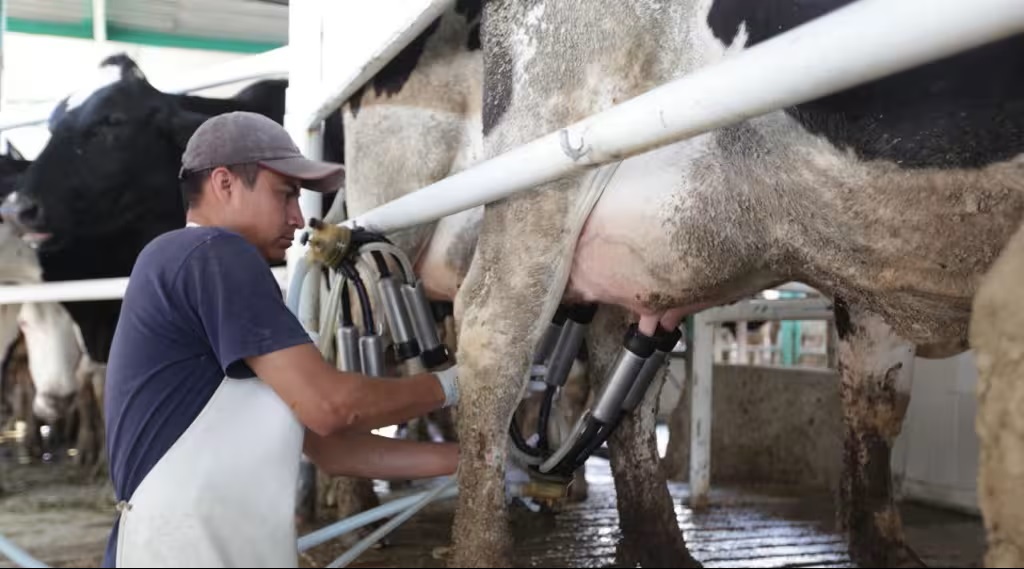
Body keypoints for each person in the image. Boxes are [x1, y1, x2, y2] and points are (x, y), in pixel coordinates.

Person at [101, 111, 460, 568]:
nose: (297, 218)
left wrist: (470, 460)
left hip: (190, 543)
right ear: (225, 183)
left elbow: (333, 449)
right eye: (285, 194)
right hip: (186, 550)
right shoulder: (214, 253)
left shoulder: (186, 262)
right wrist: (455, 384)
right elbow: (331, 407)